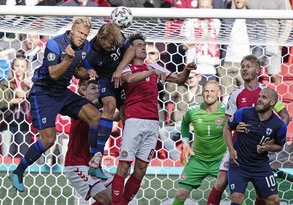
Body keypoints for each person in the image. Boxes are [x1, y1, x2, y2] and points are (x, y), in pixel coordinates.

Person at [9, 17, 101, 192]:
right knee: (49, 140)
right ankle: (18, 171)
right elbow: (53, 74)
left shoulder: (85, 46)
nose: (82, 37)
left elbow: (78, 69)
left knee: (95, 116)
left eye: (85, 34)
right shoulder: (54, 44)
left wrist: (88, 72)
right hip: (43, 94)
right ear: (72, 30)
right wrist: (67, 59)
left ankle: (95, 164)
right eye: (80, 32)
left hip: (62, 92)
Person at [110, 33, 197, 205]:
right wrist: (151, 71)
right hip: (134, 121)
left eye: (144, 45)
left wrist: (187, 70)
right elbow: (130, 79)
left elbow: (179, 79)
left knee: (141, 169)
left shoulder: (154, 66)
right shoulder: (126, 69)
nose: (143, 47)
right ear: (130, 50)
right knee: (124, 167)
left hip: (152, 123)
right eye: (139, 45)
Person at [207, 55, 290, 205]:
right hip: (238, 147)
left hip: (258, 152)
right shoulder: (235, 94)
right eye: (242, 66)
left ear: (258, 70)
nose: (244, 69)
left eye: (248, 66)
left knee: (261, 194)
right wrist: (235, 128)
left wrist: (271, 137)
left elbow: (284, 116)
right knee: (220, 183)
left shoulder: (267, 92)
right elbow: (227, 123)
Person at [85, 22, 135, 174]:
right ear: (100, 38)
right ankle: (98, 155)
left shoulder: (116, 36)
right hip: (106, 78)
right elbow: (85, 67)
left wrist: (119, 69)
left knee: (127, 116)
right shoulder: (91, 52)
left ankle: (127, 160)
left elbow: (130, 50)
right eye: (109, 44)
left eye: (115, 43)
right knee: (109, 105)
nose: (113, 46)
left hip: (123, 72)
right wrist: (90, 71)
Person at [225, 88, 287, 204]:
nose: (259, 99)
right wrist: (231, 149)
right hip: (239, 164)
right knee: (237, 197)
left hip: (260, 167)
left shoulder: (279, 125)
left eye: (264, 97)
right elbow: (227, 128)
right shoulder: (243, 113)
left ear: (272, 102)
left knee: (274, 200)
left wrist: (267, 148)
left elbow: (279, 146)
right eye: (259, 96)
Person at [172, 80, 226, 205]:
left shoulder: (226, 111)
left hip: (220, 161)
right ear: (202, 93)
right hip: (198, 160)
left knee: (236, 195)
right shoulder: (193, 111)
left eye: (212, 91)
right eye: (206, 91)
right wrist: (185, 143)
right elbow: (184, 124)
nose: (209, 94)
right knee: (180, 193)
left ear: (219, 93)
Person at [64, 79, 112, 205]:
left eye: (98, 89)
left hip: (92, 167)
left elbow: (112, 117)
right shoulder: (81, 109)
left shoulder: (99, 113)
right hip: (76, 165)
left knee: (117, 195)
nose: (97, 91)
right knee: (105, 200)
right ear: (82, 91)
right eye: (93, 88)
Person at [0, 55, 32, 157]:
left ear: (26, 68)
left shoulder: (30, 85)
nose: (19, 69)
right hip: (7, 121)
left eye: (22, 66)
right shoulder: (5, 84)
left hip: (24, 124)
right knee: (6, 156)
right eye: (17, 65)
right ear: (12, 67)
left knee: (24, 156)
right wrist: (11, 101)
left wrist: (26, 94)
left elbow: (39, 101)